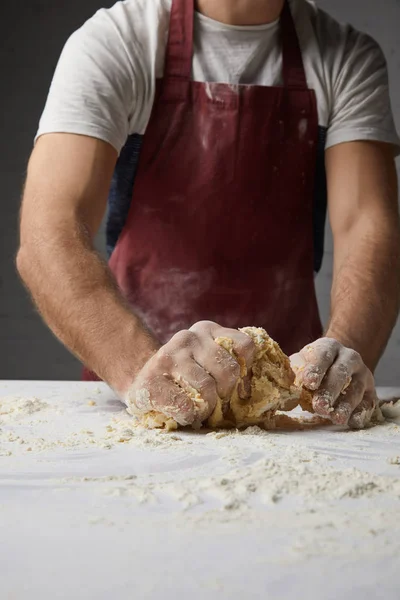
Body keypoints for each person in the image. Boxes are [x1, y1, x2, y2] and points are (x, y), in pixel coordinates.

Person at [17, 0, 400, 429]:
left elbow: (368, 230)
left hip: (291, 405)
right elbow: (48, 233)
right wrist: (143, 370)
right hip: (134, 383)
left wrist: (338, 362)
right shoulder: (119, 41)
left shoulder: (344, 57)